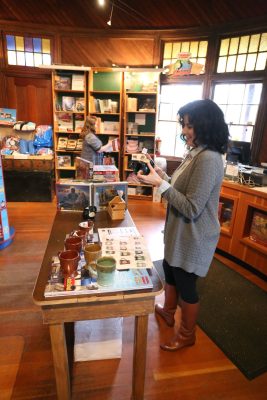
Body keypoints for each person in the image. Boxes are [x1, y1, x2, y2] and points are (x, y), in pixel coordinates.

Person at [137, 99, 229, 352]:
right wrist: (161, 175)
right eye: (184, 125)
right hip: (180, 232)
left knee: (187, 284)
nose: (185, 131)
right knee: (170, 269)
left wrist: (161, 185)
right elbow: (180, 189)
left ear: (205, 126)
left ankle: (187, 334)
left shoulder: (209, 158)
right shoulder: (196, 152)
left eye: (190, 126)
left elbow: (192, 207)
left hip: (195, 235)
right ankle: (168, 311)